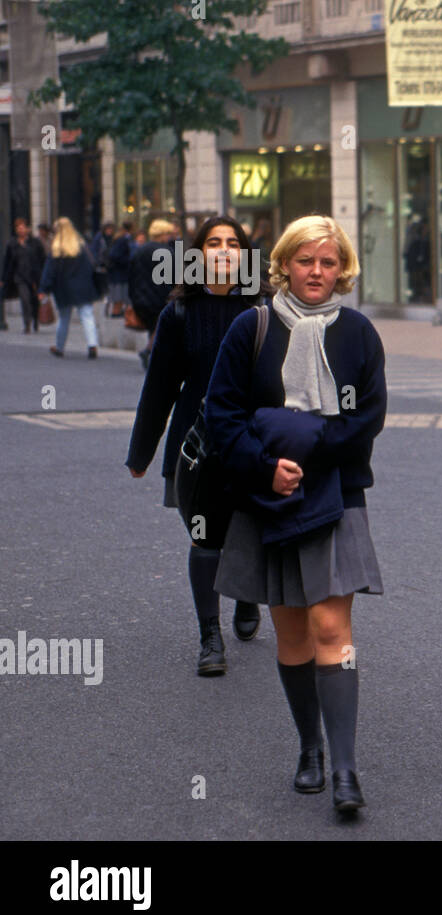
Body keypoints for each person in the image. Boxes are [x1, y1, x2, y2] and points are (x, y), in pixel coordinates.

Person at [205, 215, 386, 816]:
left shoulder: (359, 334)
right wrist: (266, 467)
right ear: (284, 265)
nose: (317, 272)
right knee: (294, 636)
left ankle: (344, 766)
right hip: (267, 498)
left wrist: (304, 454)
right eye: (306, 261)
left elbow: (365, 421)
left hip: (335, 496)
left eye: (328, 262)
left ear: (343, 270)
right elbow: (222, 416)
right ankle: (308, 745)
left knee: (334, 631)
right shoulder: (249, 328)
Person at [126, 217, 268, 677]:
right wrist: (141, 453)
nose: (223, 250)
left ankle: (247, 594)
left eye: (232, 243)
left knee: (250, 529)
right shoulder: (179, 313)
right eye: (213, 243)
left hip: (252, 439)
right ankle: (211, 636)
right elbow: (160, 386)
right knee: (204, 535)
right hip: (196, 444)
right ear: (197, 254)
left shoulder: (266, 309)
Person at [38, 218, 99, 359]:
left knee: (64, 318)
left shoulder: (56, 248)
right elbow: (91, 264)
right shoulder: (80, 245)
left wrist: (43, 289)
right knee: (87, 315)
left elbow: (49, 271)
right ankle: (92, 345)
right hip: (83, 286)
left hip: (63, 288)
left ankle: (59, 347)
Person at [129, 219, 179, 369]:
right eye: (169, 234)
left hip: (140, 297)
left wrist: (132, 296)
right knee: (160, 326)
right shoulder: (167, 252)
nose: (170, 237)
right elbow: (174, 277)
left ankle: (153, 356)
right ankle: (149, 351)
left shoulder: (140, 250)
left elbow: (131, 275)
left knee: (154, 326)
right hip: (160, 296)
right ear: (163, 234)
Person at [1, 217, 47, 333]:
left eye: (22, 228)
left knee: (34, 300)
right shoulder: (12, 244)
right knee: (24, 299)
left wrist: (43, 275)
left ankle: (35, 320)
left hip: (34, 276)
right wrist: (3, 278)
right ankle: (27, 323)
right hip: (19, 277)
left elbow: (43, 259)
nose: (21, 230)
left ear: (27, 229)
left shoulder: (35, 243)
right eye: (18, 228)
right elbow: (7, 262)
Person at [106, 220, 136, 318]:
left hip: (118, 272)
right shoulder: (122, 239)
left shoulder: (120, 238)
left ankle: (117, 311)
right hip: (119, 272)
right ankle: (116, 312)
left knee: (120, 292)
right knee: (119, 292)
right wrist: (127, 260)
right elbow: (115, 255)